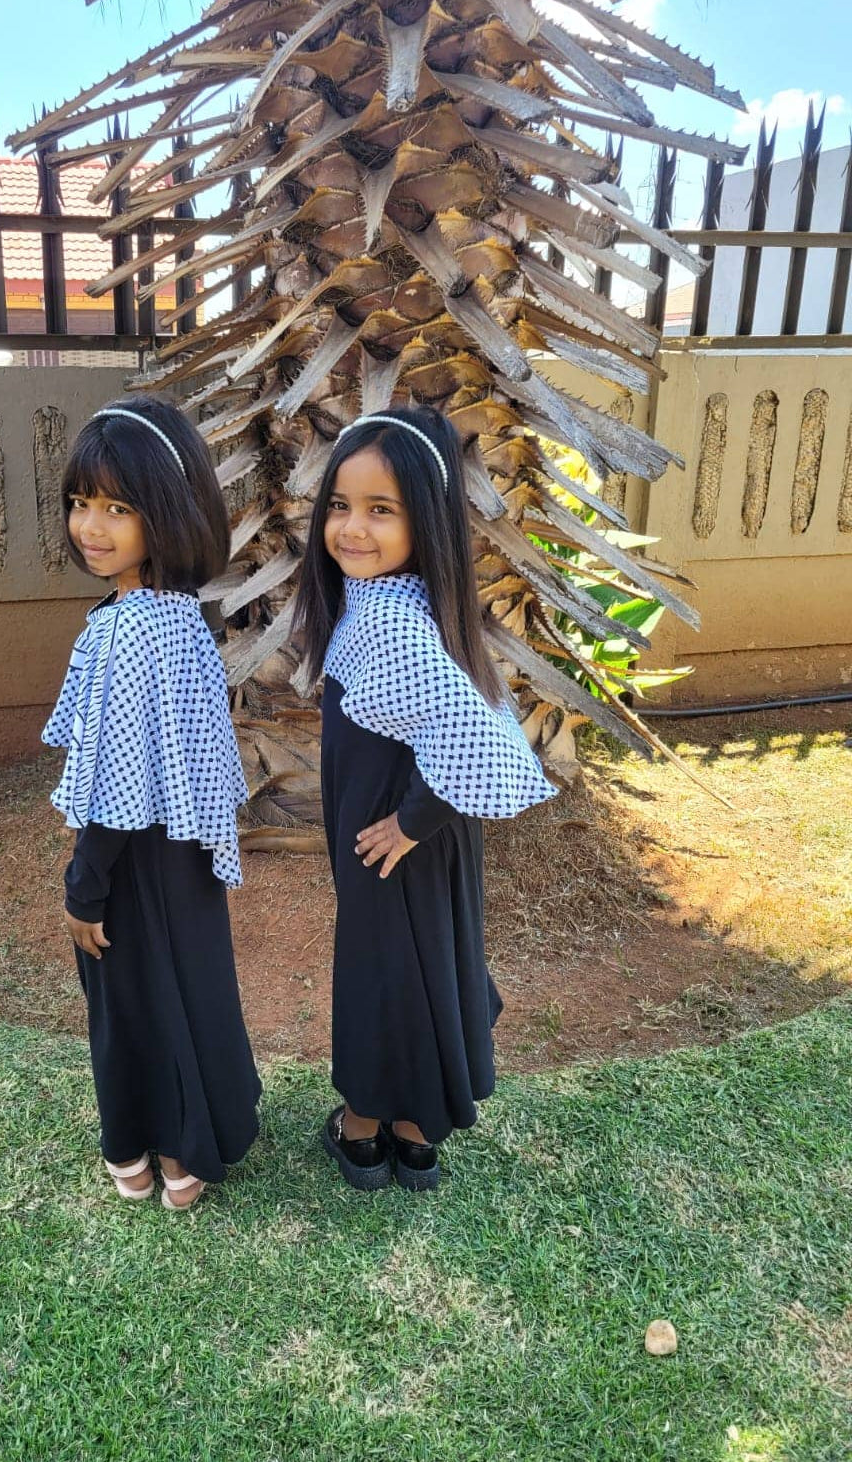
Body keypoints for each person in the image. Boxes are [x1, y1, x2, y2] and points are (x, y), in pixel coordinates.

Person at [293, 405, 556, 1191]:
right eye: (340, 506)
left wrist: (409, 823)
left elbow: (475, 739)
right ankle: (416, 1138)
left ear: (426, 522)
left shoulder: (393, 624)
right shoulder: (399, 603)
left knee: (381, 975)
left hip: (393, 838)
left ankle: (363, 1132)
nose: (352, 529)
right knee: (426, 969)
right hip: (414, 836)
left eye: (381, 510)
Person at [41, 396, 261, 1211]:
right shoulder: (179, 617)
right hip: (186, 852)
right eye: (80, 502)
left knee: (129, 1001)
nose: (90, 526)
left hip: (130, 859)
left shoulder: (126, 629)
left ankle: (133, 1146)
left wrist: (84, 885)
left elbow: (115, 783)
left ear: (166, 512)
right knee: (188, 991)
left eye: (117, 508)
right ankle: (188, 1147)